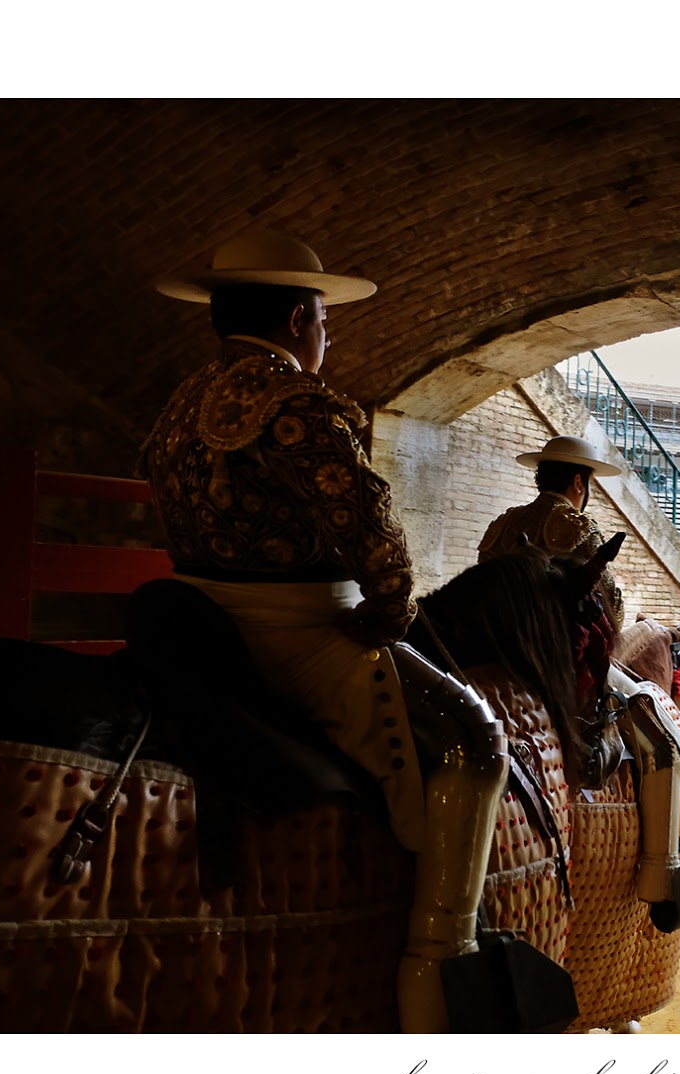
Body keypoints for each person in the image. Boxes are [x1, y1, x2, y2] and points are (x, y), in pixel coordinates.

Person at [141, 230, 503, 1032]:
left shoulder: (180, 401)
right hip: (296, 639)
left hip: (198, 621)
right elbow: (373, 529)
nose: (325, 337)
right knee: (475, 739)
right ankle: (439, 970)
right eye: (325, 321)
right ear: (303, 318)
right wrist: (389, 613)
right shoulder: (295, 401)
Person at [478, 434, 626, 625]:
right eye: (589, 483)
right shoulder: (580, 526)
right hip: (546, 642)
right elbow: (613, 607)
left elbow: (481, 580)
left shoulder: (506, 520)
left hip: (489, 629)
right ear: (578, 483)